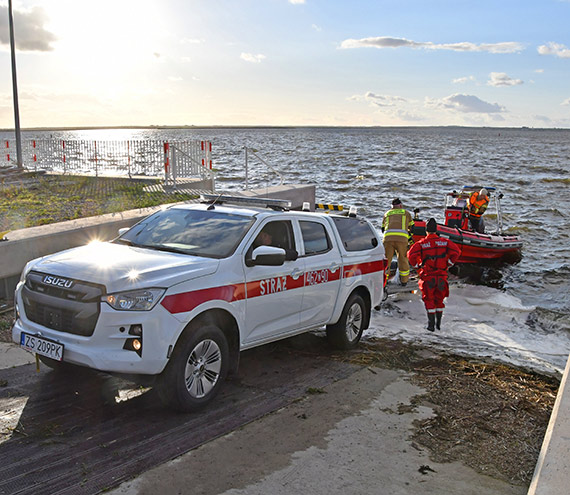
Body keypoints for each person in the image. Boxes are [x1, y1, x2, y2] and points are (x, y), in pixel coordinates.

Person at [407, 217, 461, 332]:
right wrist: (449, 263)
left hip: (428, 276)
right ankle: (438, 325)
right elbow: (456, 252)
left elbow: (410, 254)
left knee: (429, 300)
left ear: (426, 230)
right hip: (441, 276)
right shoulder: (445, 242)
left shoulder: (422, 243)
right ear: (436, 230)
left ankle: (431, 326)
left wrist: (417, 267)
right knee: (439, 300)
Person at [382, 198, 414, 285]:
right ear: (400, 205)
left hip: (387, 239)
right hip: (402, 239)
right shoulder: (406, 213)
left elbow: (382, 228)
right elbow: (412, 227)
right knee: (403, 259)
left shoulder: (387, 213)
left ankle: (384, 281)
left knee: (386, 261)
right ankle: (404, 281)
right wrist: (410, 240)